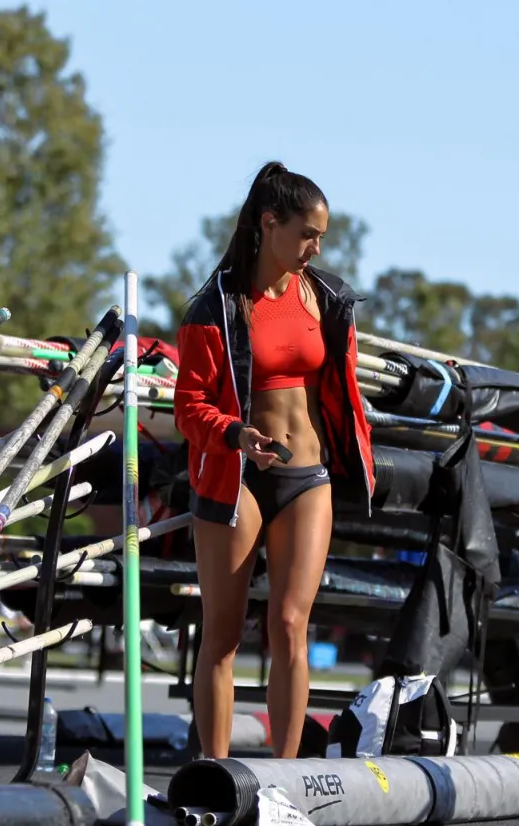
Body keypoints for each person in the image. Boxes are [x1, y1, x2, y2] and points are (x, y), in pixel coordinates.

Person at [174, 161, 376, 759]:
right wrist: (235, 434)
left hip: (307, 477)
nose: (316, 248)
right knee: (224, 636)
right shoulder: (213, 306)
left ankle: (286, 779)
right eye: (307, 234)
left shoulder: (329, 297)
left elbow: (341, 388)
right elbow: (189, 407)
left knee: (290, 625)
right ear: (269, 223)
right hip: (236, 477)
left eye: (322, 238)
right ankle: (214, 771)